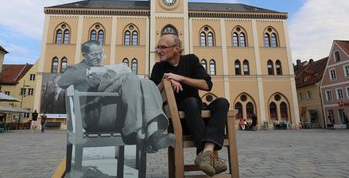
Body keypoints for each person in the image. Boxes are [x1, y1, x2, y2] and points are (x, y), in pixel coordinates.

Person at [57, 40, 174, 153]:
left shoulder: (106, 70)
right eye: (93, 54)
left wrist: (108, 71)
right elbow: (62, 81)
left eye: (100, 53)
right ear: (84, 54)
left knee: (147, 83)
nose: (97, 57)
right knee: (130, 77)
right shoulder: (75, 69)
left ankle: (153, 134)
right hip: (92, 115)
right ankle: (139, 132)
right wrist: (90, 71)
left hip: (115, 114)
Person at [150, 34, 230, 176]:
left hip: (199, 118)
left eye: (163, 47)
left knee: (222, 102)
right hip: (181, 123)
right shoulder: (158, 67)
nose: (158, 50)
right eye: (158, 47)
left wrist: (180, 78)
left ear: (176, 48)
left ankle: (206, 152)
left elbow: (207, 85)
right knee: (191, 101)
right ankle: (204, 154)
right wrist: (165, 79)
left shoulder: (191, 60)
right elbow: (152, 96)